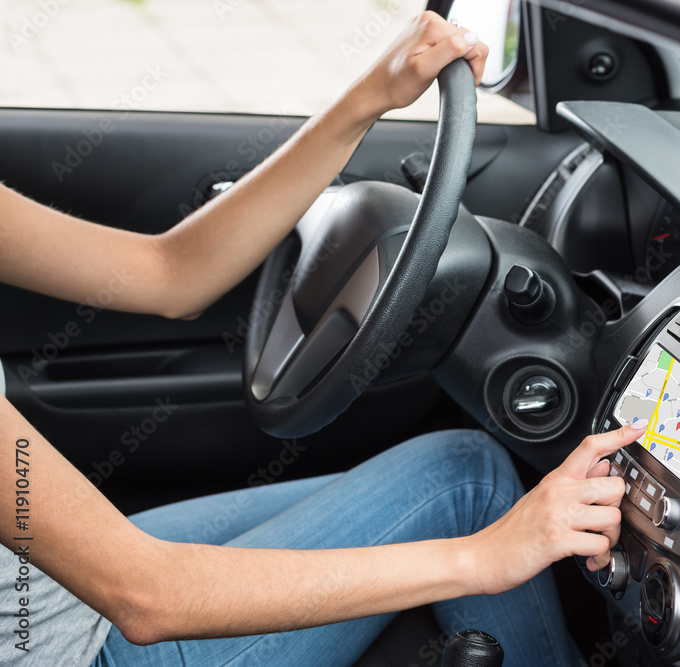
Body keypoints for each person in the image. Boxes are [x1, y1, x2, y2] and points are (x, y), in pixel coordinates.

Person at [0, 11, 639, 666]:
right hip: (72, 643)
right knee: (470, 489)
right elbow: (145, 595)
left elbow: (170, 274)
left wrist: (368, 98)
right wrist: (489, 555)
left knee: (463, 469)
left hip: (43, 586)